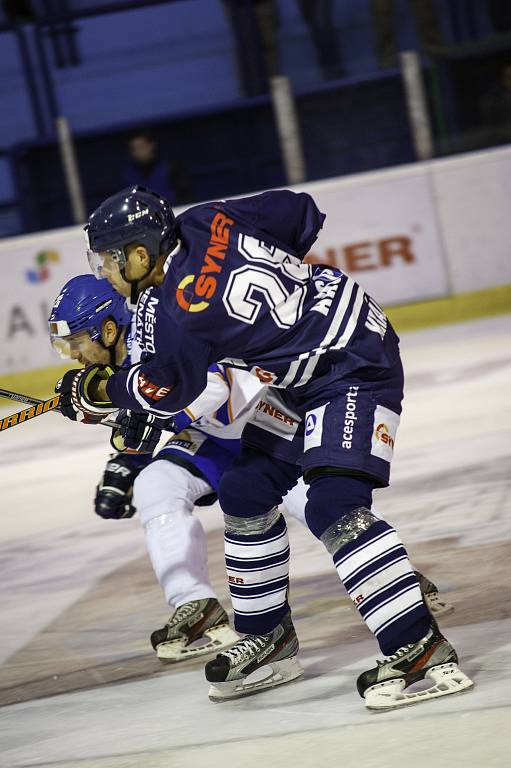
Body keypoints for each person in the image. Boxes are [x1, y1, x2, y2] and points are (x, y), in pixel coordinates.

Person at [57, 185, 469, 709]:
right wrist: (288, 307)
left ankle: (418, 645)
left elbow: (170, 388)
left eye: (107, 260)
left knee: (333, 504)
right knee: (245, 489)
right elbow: (300, 212)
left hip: (350, 366)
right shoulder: (206, 218)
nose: (104, 272)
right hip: (309, 361)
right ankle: (269, 635)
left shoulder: (174, 312)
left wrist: (96, 389)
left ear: (141, 254)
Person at [49, 273, 310, 661]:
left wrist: (158, 421)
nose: (73, 354)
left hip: (267, 426)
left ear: (107, 328)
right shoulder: (121, 351)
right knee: (156, 484)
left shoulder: (155, 329)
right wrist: (124, 459)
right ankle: (196, 605)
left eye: (76, 342)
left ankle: (384, 579)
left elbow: (214, 386)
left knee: (318, 507)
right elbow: (140, 409)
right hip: (216, 439)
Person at [124, 131, 191, 206]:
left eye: (142, 146)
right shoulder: (128, 176)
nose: (139, 151)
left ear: (152, 145)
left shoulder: (170, 168)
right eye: (135, 149)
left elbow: (186, 197)